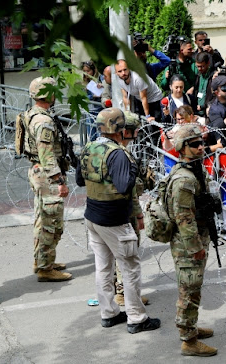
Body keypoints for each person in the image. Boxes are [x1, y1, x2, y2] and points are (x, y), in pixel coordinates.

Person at [77, 107, 161, 333]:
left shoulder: (89, 147)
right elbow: (124, 186)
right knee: (130, 268)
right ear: (119, 129)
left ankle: (109, 313)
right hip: (114, 220)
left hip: (92, 216)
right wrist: (134, 169)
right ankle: (137, 318)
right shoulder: (119, 154)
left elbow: (79, 179)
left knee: (103, 267)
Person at [166, 124, 219, 357]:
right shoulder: (184, 179)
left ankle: (191, 327)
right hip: (189, 241)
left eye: (201, 143)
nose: (201, 147)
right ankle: (189, 340)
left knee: (193, 286)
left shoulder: (193, 169)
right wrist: (195, 246)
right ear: (182, 147)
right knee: (189, 288)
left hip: (197, 235)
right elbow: (183, 217)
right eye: (195, 144)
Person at [25, 77, 72, 282]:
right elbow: (47, 155)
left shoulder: (34, 114)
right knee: (50, 222)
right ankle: (45, 268)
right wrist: (59, 181)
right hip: (47, 176)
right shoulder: (43, 121)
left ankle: (42, 260)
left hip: (39, 172)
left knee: (42, 219)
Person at [113, 111, 149, 307]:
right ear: (126, 132)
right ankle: (124, 294)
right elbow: (130, 188)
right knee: (127, 252)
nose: (136, 135)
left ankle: (117, 290)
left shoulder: (107, 149)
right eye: (134, 131)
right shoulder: (123, 154)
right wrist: (139, 214)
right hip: (125, 210)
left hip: (107, 209)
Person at [192, 52, 215, 117]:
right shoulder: (198, 75)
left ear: (208, 63)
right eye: (198, 66)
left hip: (208, 111)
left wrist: (204, 106)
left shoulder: (213, 76)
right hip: (197, 112)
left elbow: (214, 96)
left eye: (202, 66)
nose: (199, 69)